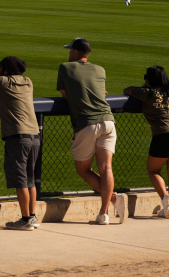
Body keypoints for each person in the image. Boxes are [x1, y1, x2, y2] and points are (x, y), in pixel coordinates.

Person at [56, 38, 126, 225]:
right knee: (106, 168)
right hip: (109, 121)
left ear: (77, 53)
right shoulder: (100, 69)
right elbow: (101, 92)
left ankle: (113, 199)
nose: (69, 53)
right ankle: (104, 214)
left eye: (71, 50)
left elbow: (66, 95)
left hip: (87, 123)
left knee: (83, 169)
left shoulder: (65, 67)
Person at [0, 56, 40, 231]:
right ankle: (32, 216)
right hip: (34, 135)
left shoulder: (2, 82)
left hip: (17, 137)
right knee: (30, 179)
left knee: (21, 179)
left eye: (0, 68)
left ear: (5, 69)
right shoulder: (28, 82)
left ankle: (25, 219)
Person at [124, 67, 169, 219]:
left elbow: (127, 90)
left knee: (153, 170)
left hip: (164, 135)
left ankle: (166, 202)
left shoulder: (148, 92)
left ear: (149, 79)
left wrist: (144, 87)